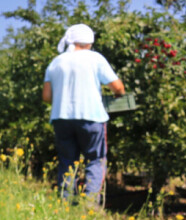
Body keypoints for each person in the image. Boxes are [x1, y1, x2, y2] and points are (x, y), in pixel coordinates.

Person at [42, 24, 125, 204]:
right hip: (91, 116)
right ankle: (89, 205)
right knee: (95, 160)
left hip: (61, 118)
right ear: (89, 42)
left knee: (67, 161)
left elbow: (47, 96)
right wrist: (118, 95)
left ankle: (65, 204)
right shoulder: (95, 58)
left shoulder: (55, 62)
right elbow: (118, 87)